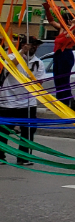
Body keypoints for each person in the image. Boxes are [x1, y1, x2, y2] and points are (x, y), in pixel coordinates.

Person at [0, 35, 46, 165]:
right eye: (32, 44)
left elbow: (39, 82)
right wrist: (21, 53)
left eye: (36, 45)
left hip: (28, 102)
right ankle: (0, 155)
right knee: (4, 130)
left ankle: (23, 157)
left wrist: (33, 82)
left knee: (28, 131)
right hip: (8, 101)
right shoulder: (11, 57)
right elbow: (8, 67)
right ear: (24, 45)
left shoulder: (38, 62)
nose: (34, 47)